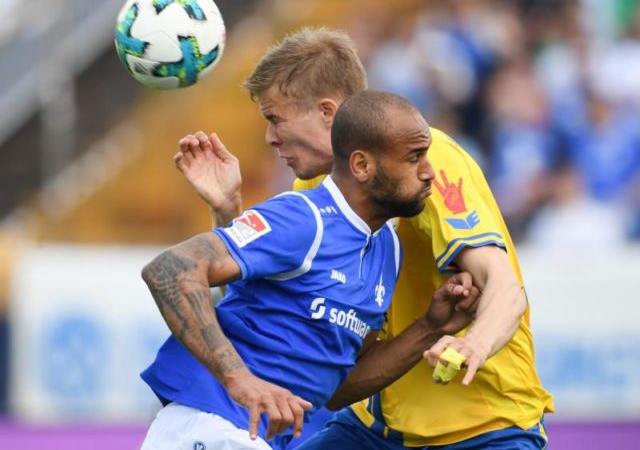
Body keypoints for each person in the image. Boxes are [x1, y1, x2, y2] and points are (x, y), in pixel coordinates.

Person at [176, 27, 554, 449]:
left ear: (326, 112)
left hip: (484, 427)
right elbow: (262, 307)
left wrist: (474, 346)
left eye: (275, 118)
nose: (269, 137)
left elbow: (504, 286)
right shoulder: (312, 194)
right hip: (374, 428)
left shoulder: (424, 159)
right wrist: (227, 210)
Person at [141, 90, 479, 450]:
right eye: (414, 158)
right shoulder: (305, 218)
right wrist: (239, 379)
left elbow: (340, 387)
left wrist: (431, 327)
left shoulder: (387, 249)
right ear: (362, 165)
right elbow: (171, 269)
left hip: (257, 437)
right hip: (212, 424)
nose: (429, 172)